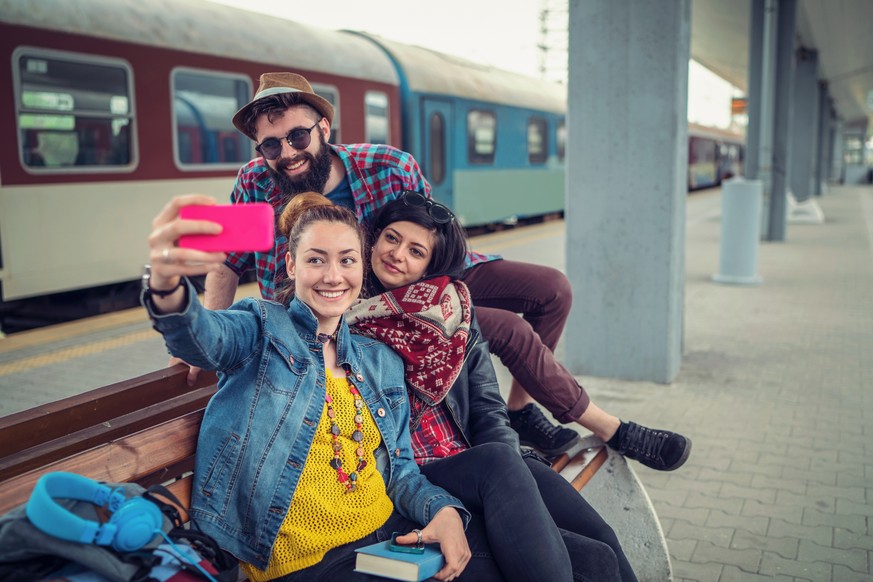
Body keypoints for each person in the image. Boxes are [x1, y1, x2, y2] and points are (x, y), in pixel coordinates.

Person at [194, 71, 692, 472]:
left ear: (323, 128)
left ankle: (521, 410)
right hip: (356, 313)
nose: (287, 153)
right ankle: (611, 427)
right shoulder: (253, 182)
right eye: (271, 145)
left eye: (297, 135)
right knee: (506, 329)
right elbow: (226, 264)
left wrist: (442, 298)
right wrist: (202, 348)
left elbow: (431, 242)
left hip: (423, 279)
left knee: (553, 290)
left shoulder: (389, 165)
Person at [144, 194, 500, 581]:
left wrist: (443, 511)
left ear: (362, 268)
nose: (333, 276)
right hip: (311, 564)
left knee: (552, 558)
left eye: (347, 260)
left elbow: (401, 471)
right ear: (291, 264)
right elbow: (202, 337)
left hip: (388, 538)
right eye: (316, 259)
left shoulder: (378, 358)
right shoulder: (259, 328)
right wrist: (165, 287)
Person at [344, 191, 637, 581]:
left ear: (431, 264)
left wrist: (513, 472)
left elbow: (487, 407)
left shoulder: (454, 310)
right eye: (392, 239)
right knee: (587, 558)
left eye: (416, 251)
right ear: (374, 238)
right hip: (418, 470)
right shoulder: (348, 311)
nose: (398, 254)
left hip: (482, 460)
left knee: (601, 539)